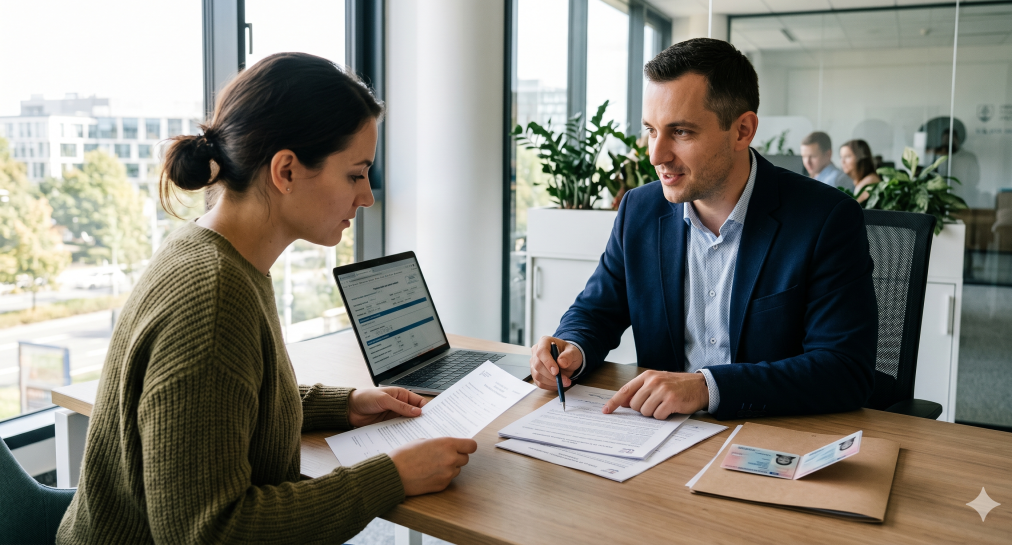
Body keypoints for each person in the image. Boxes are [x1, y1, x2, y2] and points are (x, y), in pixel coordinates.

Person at [57, 53, 477, 545]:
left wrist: (346, 406)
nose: (366, 197)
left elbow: (223, 404)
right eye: (355, 174)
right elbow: (209, 532)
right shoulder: (213, 298)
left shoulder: (214, 253)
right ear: (286, 170)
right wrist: (391, 477)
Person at [530, 38, 877, 421]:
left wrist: (706, 387)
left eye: (681, 132)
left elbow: (844, 369)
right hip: (659, 438)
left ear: (742, 130)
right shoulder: (639, 210)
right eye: (651, 130)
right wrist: (572, 348)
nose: (656, 155)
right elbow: (597, 310)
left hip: (769, 434)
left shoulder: (825, 219)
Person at [839, 139, 880, 203]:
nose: (842, 161)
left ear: (860, 158)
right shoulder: (859, 182)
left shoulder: (869, 182)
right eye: (841, 157)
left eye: (847, 156)